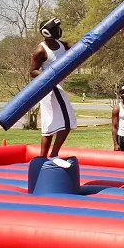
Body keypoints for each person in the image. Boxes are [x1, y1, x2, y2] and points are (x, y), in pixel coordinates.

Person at [30, 18, 77, 158]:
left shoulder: (61, 44)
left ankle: (42, 158)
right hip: (51, 89)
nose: (59, 31)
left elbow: (77, 47)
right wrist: (49, 75)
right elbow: (32, 71)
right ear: (46, 32)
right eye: (56, 28)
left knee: (49, 126)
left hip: (56, 88)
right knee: (68, 121)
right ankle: (54, 154)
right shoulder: (40, 50)